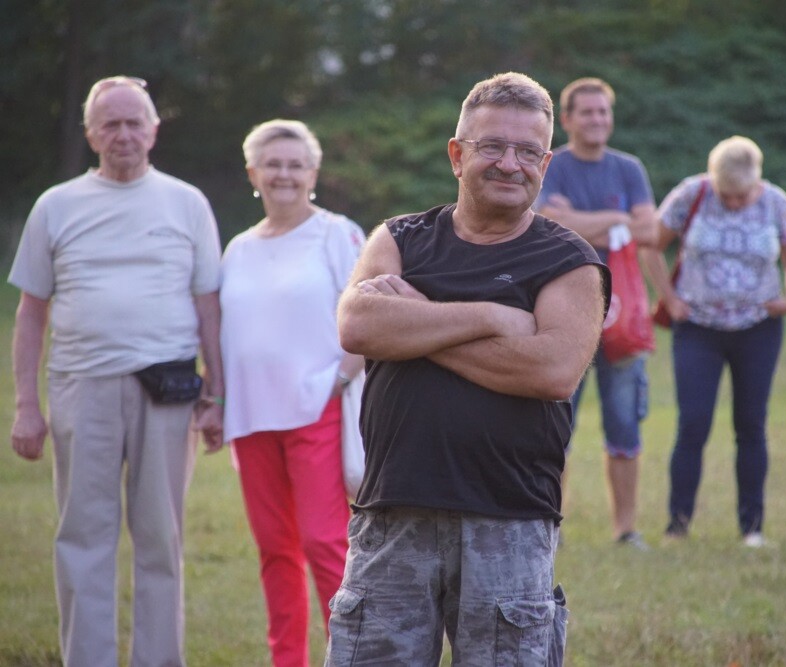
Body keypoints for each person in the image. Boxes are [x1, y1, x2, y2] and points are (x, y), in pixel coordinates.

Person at [325, 72, 608, 666]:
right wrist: (493, 317)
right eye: (492, 147)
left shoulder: (570, 261)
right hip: (392, 516)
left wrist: (417, 322)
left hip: (509, 520)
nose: (510, 164)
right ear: (458, 154)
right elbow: (357, 327)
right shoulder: (400, 238)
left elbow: (552, 371)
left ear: (545, 162)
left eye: (528, 151)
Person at [8, 75, 223, 666]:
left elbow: (210, 307)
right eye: (111, 123)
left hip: (169, 392)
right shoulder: (56, 205)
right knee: (82, 537)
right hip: (81, 387)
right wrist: (27, 406)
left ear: (154, 130)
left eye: (134, 122)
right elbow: (30, 315)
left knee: (161, 538)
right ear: (90, 133)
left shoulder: (186, 202)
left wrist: (218, 397)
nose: (123, 134)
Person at [221, 119, 366, 666]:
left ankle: (349, 655)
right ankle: (287, 659)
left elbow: (368, 315)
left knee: (326, 543)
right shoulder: (237, 248)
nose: (284, 174)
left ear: (313, 172)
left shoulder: (338, 234)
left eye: (295, 164)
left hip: (317, 409)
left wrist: (341, 377)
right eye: (272, 164)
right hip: (252, 417)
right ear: (253, 173)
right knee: (274, 552)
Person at [648, 136, 786, 547]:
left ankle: (752, 528)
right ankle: (677, 526)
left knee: (751, 424)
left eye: (742, 195)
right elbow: (651, 246)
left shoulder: (776, 202)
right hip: (698, 328)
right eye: (726, 194)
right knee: (693, 423)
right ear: (712, 180)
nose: (734, 203)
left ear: (757, 181)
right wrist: (670, 297)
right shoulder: (691, 193)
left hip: (758, 327)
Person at [535, 77, 658, 549]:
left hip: (623, 317)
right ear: (565, 120)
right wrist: (616, 220)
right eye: (586, 112)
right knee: (554, 424)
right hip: (561, 312)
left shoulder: (629, 169)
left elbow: (648, 229)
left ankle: (626, 529)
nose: (597, 120)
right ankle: (550, 524)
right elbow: (548, 223)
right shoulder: (553, 167)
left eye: (603, 112)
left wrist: (585, 220)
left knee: (625, 423)